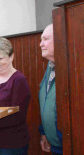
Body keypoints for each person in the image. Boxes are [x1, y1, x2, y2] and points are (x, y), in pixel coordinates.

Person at [39, 24, 62, 155]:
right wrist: (44, 133)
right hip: (55, 147)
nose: (41, 44)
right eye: (41, 39)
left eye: (46, 39)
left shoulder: (73, 67)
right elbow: (46, 103)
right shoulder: (50, 67)